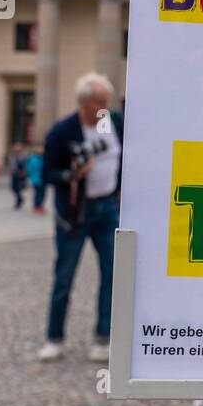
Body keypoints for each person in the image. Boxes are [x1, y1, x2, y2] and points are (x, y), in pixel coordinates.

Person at [40, 72, 123, 363]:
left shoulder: (116, 124)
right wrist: (72, 175)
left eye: (107, 101)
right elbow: (46, 172)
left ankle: (103, 338)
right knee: (64, 276)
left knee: (112, 274)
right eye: (101, 101)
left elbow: (130, 157)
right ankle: (54, 338)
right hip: (75, 212)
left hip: (108, 209)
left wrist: (122, 189)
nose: (106, 107)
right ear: (84, 103)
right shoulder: (63, 131)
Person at [26, 143, 46, 214]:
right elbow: (30, 169)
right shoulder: (34, 159)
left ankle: (39, 206)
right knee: (39, 193)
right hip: (37, 179)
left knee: (42, 193)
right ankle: (37, 206)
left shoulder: (41, 159)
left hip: (42, 179)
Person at [8, 142, 29, 210]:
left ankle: (18, 202)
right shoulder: (12, 156)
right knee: (13, 188)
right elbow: (11, 165)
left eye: (18, 149)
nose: (17, 150)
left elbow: (25, 165)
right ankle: (20, 199)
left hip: (21, 175)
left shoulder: (24, 156)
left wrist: (25, 173)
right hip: (14, 174)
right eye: (16, 149)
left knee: (18, 188)